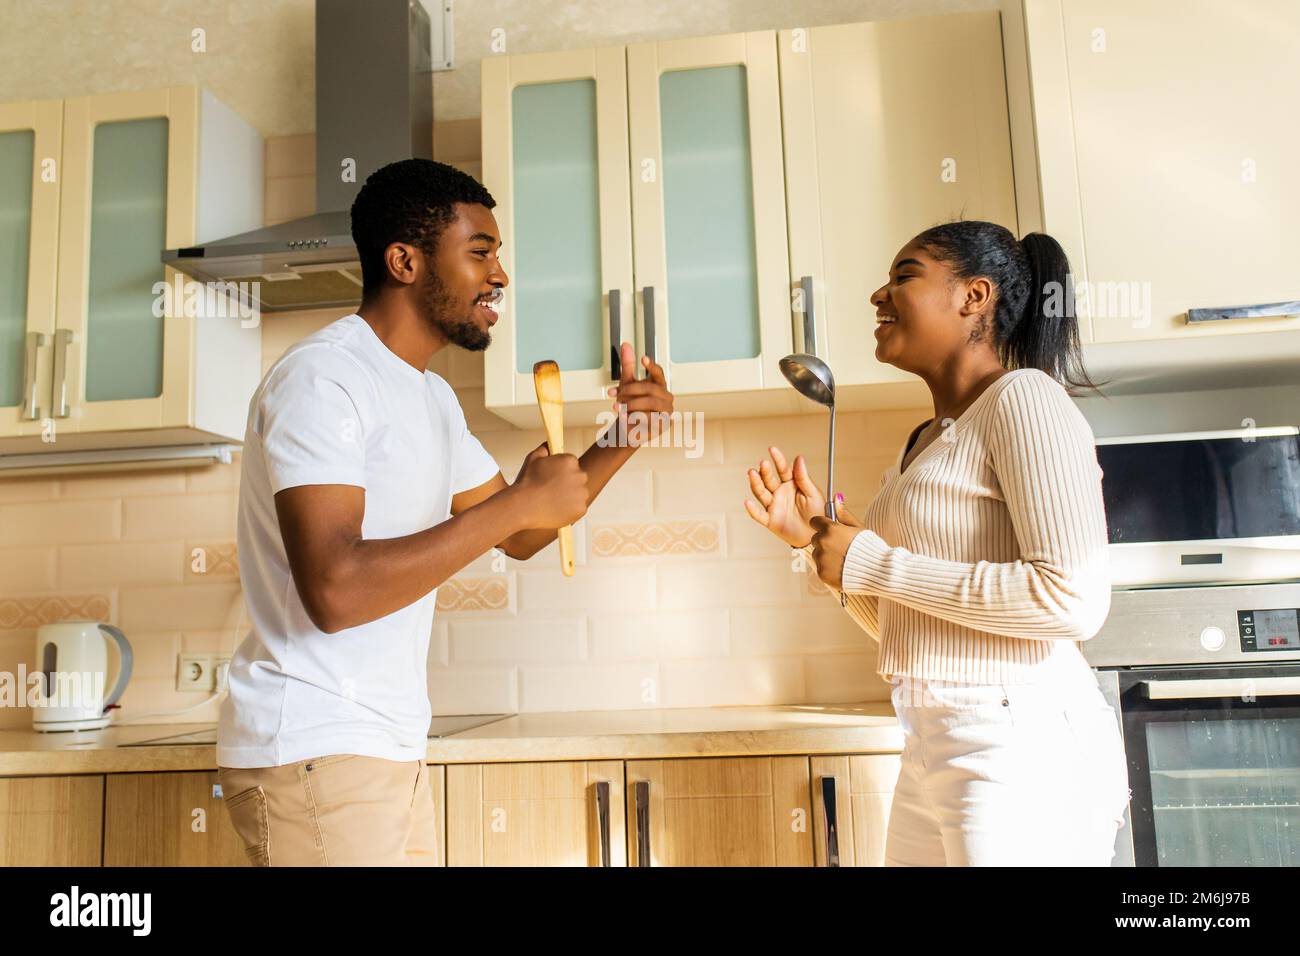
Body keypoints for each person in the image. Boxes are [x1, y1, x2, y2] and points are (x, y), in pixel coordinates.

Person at [216, 159, 673, 866]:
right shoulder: (324, 378)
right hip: (316, 742)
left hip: (382, 746)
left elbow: (520, 533)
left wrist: (623, 439)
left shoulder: (428, 399)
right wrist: (520, 501)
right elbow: (336, 589)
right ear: (405, 260)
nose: (501, 277)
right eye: (480, 252)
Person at [744, 221, 1131, 866]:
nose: (878, 295)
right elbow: (916, 625)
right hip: (932, 736)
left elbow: (1073, 599)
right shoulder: (923, 441)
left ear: (973, 296)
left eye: (904, 275)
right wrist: (817, 545)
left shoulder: (1025, 400)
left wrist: (872, 563)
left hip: (1019, 736)